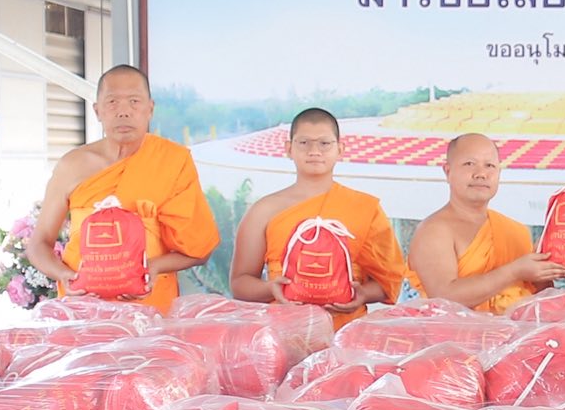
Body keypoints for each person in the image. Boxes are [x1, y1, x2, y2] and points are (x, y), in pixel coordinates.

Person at [26, 64, 219, 314]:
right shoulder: (72, 165)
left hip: (150, 308)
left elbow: (199, 250)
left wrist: (153, 267)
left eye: (134, 101)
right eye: (113, 102)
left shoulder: (171, 161)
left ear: (150, 109)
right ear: (97, 111)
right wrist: (65, 276)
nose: (124, 112)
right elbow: (39, 244)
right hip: (83, 307)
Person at [229, 107, 407, 328]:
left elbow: (387, 281)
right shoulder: (264, 210)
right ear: (288, 149)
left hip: (345, 334)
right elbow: (240, 283)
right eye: (304, 143)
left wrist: (362, 295)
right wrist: (271, 289)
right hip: (282, 333)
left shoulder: (365, 208)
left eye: (324, 143)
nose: (314, 151)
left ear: (340, 149)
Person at [406, 133, 563, 313]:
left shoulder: (515, 231)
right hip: (457, 337)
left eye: (489, 165)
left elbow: (542, 298)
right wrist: (514, 272)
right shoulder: (433, 231)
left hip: (515, 336)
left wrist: (550, 270)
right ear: (448, 172)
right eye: (469, 164)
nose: (481, 174)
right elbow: (445, 297)